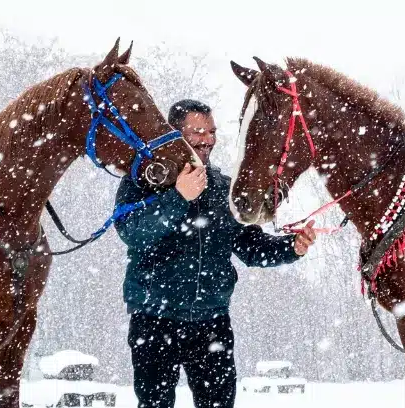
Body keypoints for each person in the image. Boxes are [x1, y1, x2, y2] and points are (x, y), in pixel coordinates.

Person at [114, 99, 318, 408]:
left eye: (211, 131)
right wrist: (177, 197)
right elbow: (131, 232)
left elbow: (252, 247)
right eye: (198, 131)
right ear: (174, 132)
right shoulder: (143, 180)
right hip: (153, 319)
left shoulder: (223, 188)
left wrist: (292, 247)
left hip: (211, 322)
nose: (207, 139)